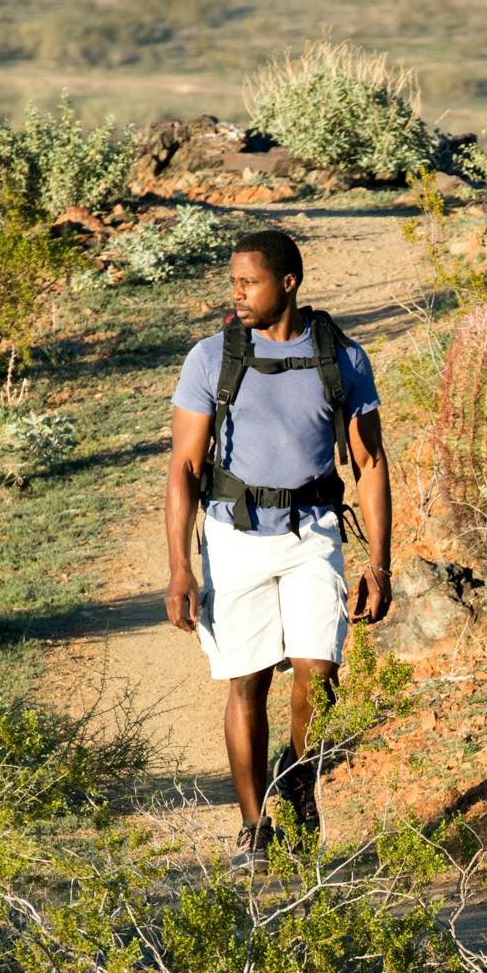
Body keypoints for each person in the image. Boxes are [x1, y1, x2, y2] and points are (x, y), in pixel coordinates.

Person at [164, 227, 391, 857]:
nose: (236, 293)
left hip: (313, 533)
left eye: (248, 282)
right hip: (234, 537)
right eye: (233, 281)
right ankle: (255, 829)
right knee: (248, 682)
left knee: (321, 676)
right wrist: (180, 567)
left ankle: (295, 787)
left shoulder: (342, 358)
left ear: (287, 283)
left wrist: (380, 563)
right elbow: (184, 466)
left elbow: (370, 465)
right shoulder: (212, 358)